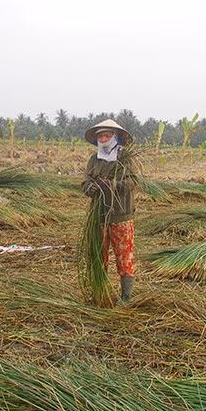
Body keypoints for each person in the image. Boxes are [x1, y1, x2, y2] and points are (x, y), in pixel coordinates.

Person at [81, 119, 138, 304]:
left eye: (107, 136)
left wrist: (112, 185)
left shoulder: (125, 158)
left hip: (121, 215)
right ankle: (99, 292)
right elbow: (85, 182)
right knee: (98, 256)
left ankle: (125, 298)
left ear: (115, 138)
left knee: (124, 257)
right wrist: (90, 187)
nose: (104, 139)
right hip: (98, 215)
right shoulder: (94, 159)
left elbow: (133, 182)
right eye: (100, 136)